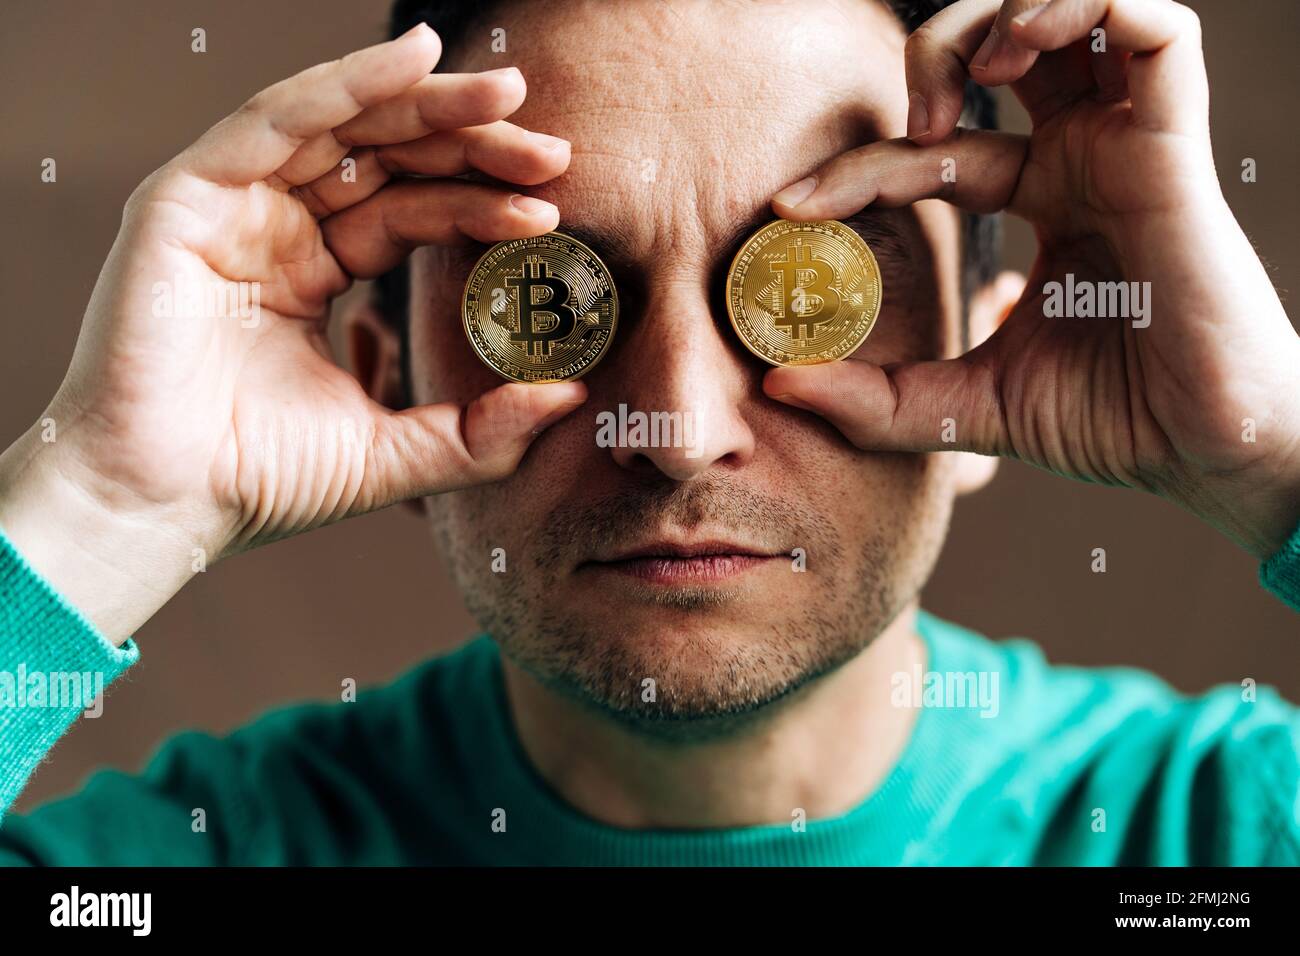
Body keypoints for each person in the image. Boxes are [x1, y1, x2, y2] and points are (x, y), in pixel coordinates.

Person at [0, 0, 1296, 866]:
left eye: (811, 288)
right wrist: (105, 506)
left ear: (990, 355)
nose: (676, 427)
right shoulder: (184, 862)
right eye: (550, 295)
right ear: (384, 376)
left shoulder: (1222, 832)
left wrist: (1274, 455)